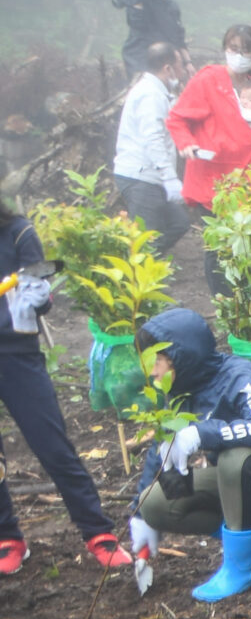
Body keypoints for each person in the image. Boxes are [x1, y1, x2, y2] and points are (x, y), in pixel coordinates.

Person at [128, 308, 251, 603]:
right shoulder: (181, 393)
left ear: (181, 355)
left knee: (236, 459)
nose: (152, 371)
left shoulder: (240, 378)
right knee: (157, 502)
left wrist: (202, 433)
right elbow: (163, 453)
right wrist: (141, 515)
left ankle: (240, 568)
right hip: (243, 487)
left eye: (157, 360)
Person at [0, 200, 129, 573]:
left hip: (16, 356)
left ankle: (97, 532)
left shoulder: (19, 232)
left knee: (53, 445)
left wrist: (36, 297)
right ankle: (8, 535)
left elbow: (39, 287)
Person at [167, 25, 251, 289]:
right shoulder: (208, 79)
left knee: (246, 245)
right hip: (213, 182)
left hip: (248, 184)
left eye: (246, 50)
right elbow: (178, 118)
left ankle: (245, 299)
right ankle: (225, 305)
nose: (239, 55)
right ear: (225, 49)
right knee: (218, 247)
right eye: (234, 49)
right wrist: (186, 144)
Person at [113, 44, 191, 253]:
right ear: (168, 68)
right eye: (181, 65)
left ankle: (151, 267)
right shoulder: (150, 95)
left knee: (179, 223)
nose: (183, 70)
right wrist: (169, 177)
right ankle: (142, 278)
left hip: (151, 177)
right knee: (148, 238)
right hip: (141, 177)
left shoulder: (159, 92)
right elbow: (153, 138)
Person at [116, 0, 187, 76]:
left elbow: (178, 35)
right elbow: (138, 24)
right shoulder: (140, 1)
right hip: (141, 61)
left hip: (165, 60)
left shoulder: (170, 4)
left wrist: (187, 62)